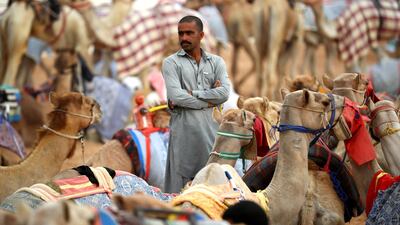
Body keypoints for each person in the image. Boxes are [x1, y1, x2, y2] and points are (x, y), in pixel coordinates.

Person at [162, 15, 230, 193]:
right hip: (184, 140)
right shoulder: (171, 63)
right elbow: (176, 97)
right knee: (181, 195)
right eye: (181, 33)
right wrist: (209, 100)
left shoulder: (216, 62)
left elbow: (224, 93)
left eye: (189, 33)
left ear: (201, 35)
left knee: (214, 192)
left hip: (211, 139)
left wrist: (194, 93)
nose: (184, 38)